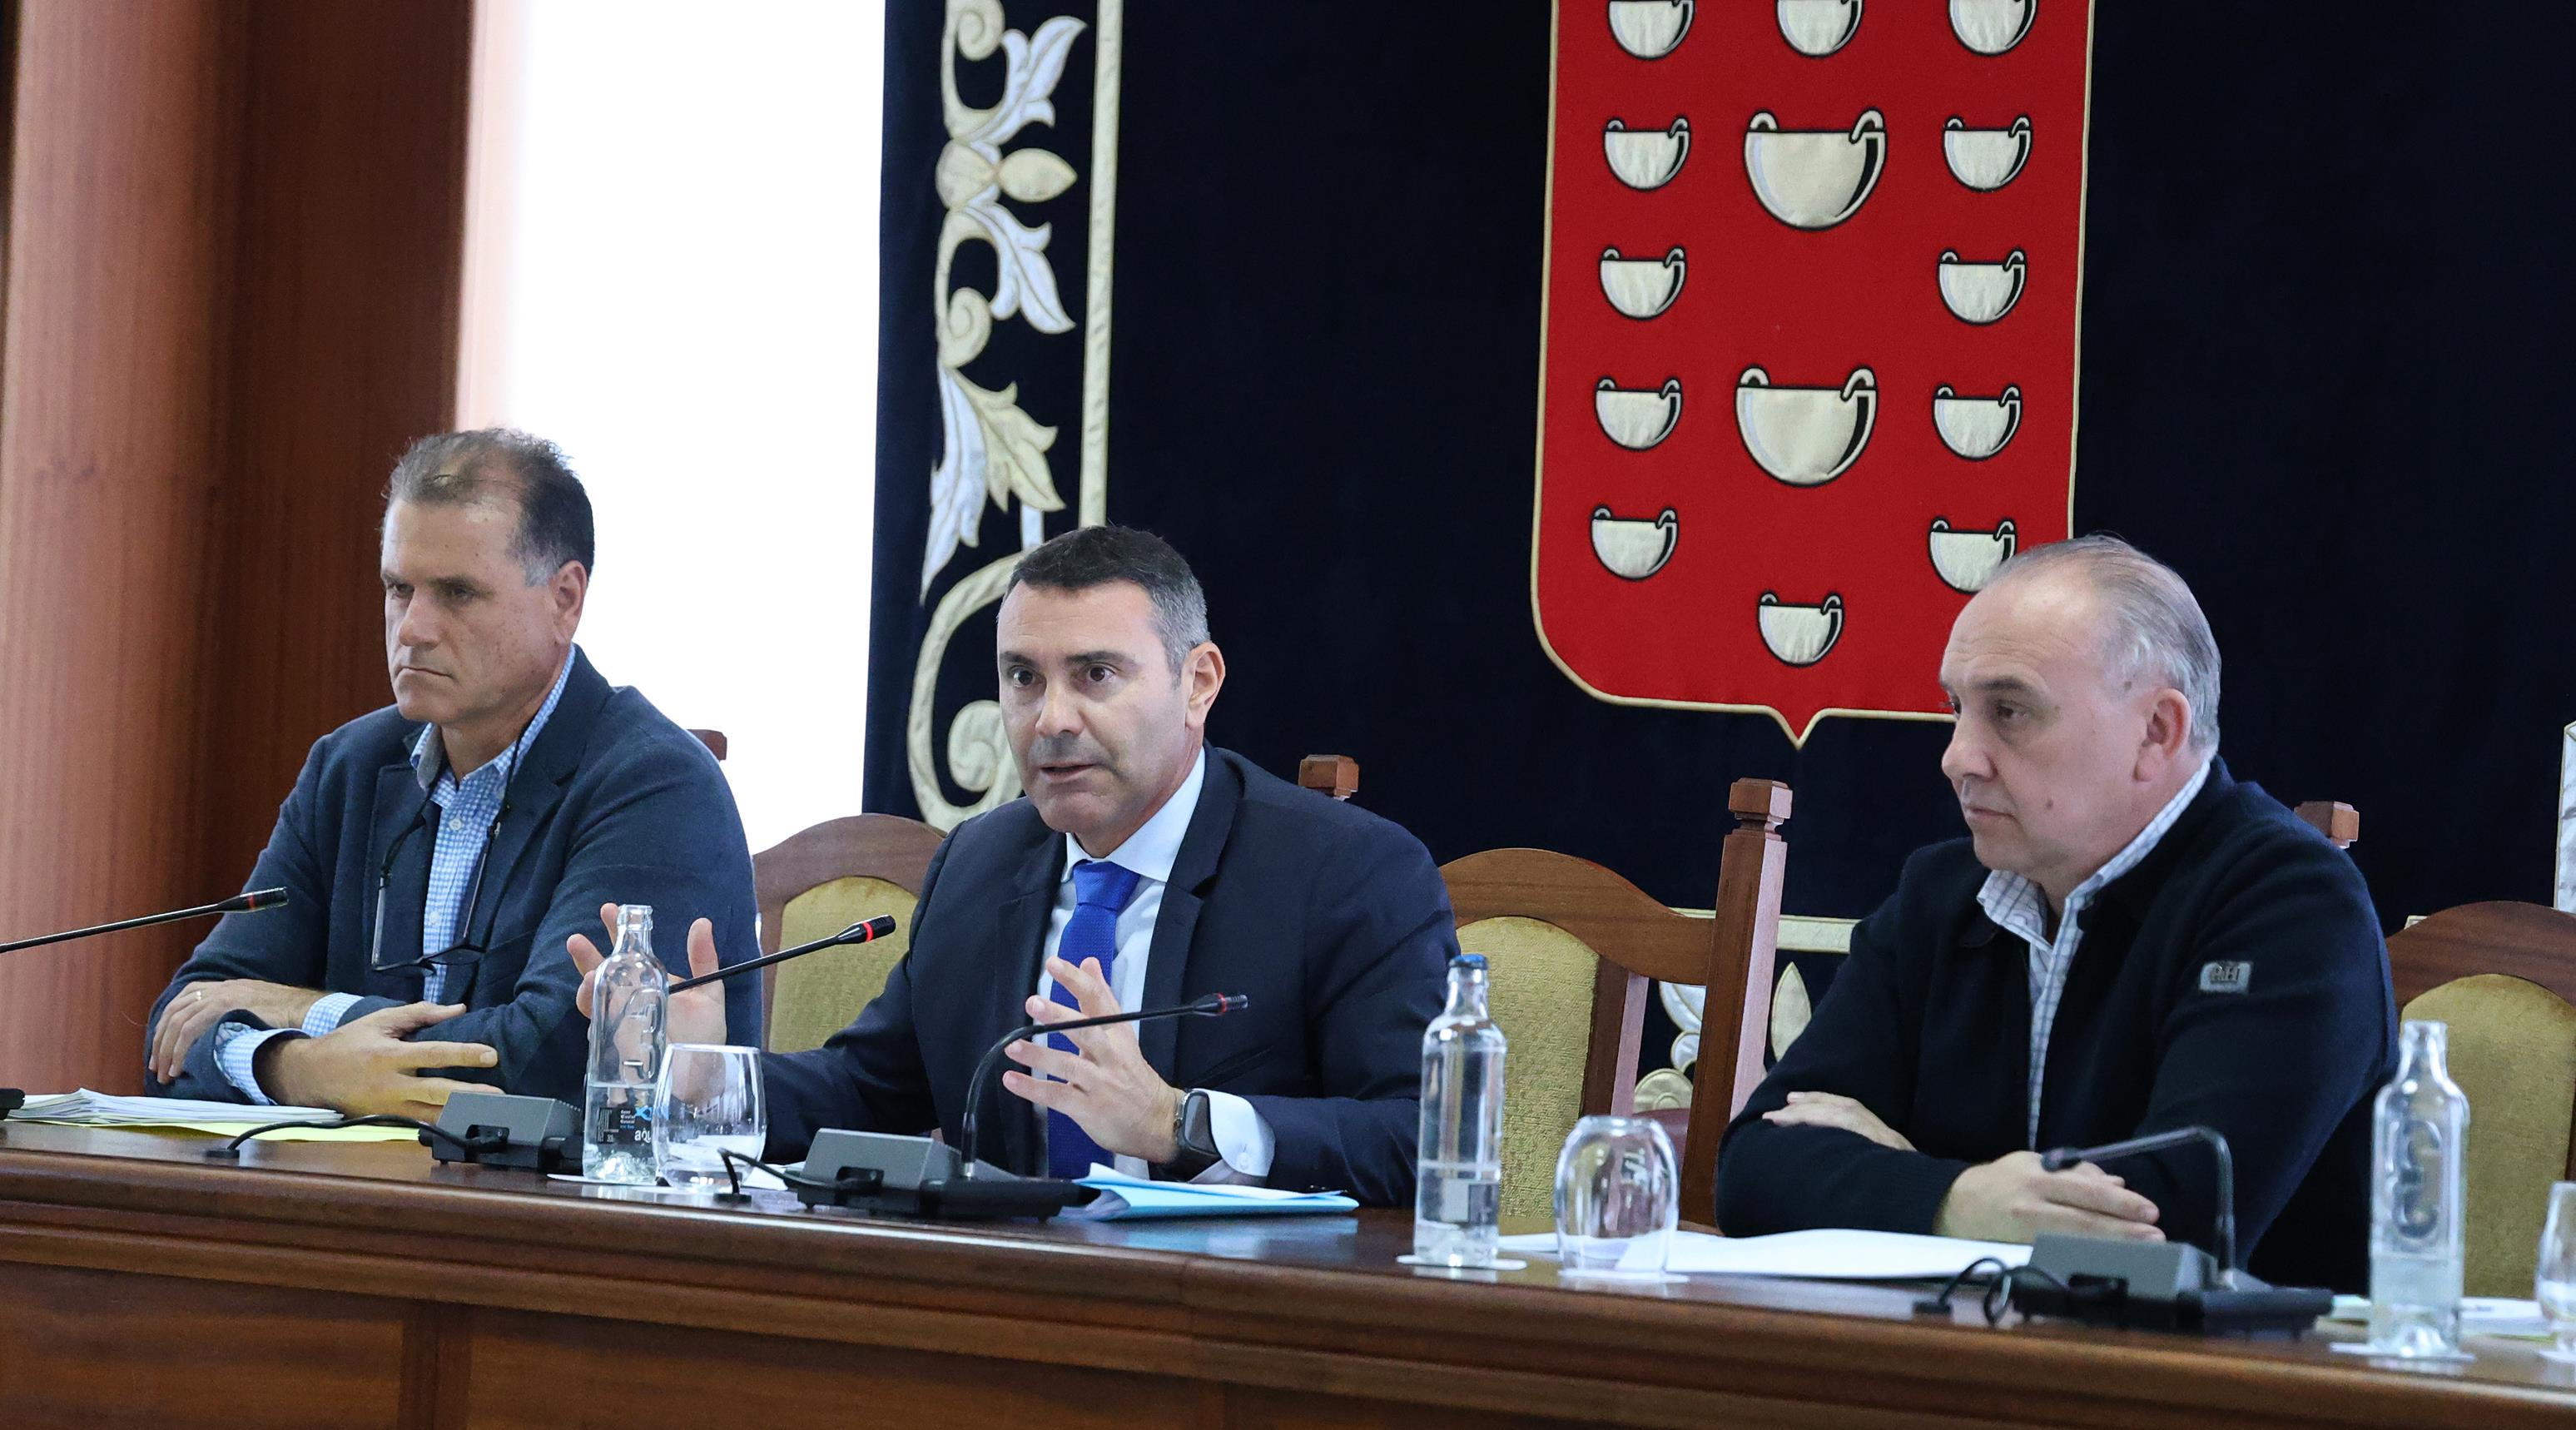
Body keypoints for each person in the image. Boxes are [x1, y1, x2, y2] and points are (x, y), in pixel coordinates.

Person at [574, 525, 1452, 1206]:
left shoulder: (1346, 872)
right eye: (1022, 678)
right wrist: (693, 1072)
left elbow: (1420, 1138)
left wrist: (1179, 1120)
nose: (1051, 717)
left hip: (1232, 1326)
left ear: (1198, 682)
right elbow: (871, 1089)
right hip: (1006, 1306)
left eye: (1096, 674)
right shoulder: (981, 862)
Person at [1715, 535, 2395, 1292]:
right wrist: (1960, 1201)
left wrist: (1917, 1184)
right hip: (1956, 1374)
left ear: (2155, 732)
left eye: (2008, 710)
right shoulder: (1938, 896)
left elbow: (2158, 1233)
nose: (1956, 756)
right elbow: (1752, 1171)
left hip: (2228, 1395)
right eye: (1956, 708)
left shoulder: (2290, 904)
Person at [146, 429, 760, 1115]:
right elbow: (184, 1020)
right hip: (343, 1198)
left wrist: (305, 1014)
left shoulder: (657, 785)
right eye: (398, 588)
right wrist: (297, 1071)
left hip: (555, 1212)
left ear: (565, 599)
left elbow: (558, 1056)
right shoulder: (348, 769)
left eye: (458, 594)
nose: (413, 627)